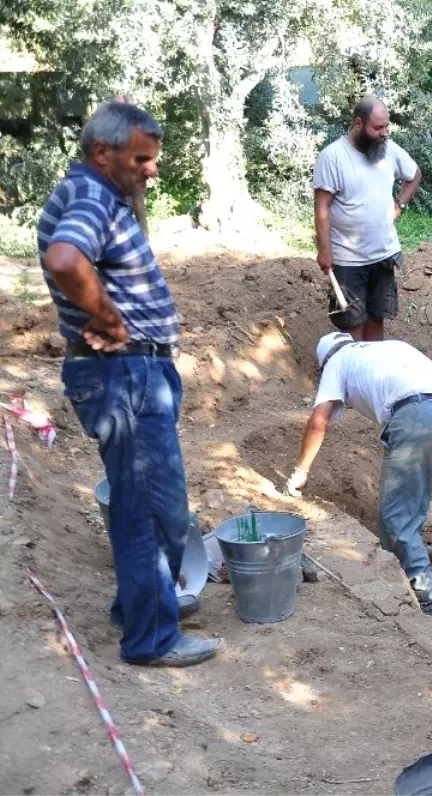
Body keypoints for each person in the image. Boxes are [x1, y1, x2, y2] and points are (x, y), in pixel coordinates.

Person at [38, 102, 223, 667]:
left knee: (163, 508)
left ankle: (143, 604)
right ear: (103, 153)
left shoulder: (94, 194)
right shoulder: (92, 196)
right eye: (142, 159)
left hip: (137, 375)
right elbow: (67, 259)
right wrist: (108, 318)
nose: (152, 170)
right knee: (144, 509)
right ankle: (150, 638)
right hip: (124, 375)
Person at [284, 333, 432, 617]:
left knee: (397, 515)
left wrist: (300, 472)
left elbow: (318, 421)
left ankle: (426, 597)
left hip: (418, 417)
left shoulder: (337, 362)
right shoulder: (389, 347)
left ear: (324, 362)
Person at [313, 96, 423, 342]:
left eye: (386, 127)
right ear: (359, 124)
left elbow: (414, 175)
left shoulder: (389, 149)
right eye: (378, 128)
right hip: (347, 259)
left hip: (383, 254)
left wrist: (399, 206)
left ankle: (372, 374)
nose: (384, 133)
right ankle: (353, 375)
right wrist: (325, 251)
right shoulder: (332, 157)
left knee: (376, 318)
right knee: (352, 324)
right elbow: (321, 207)